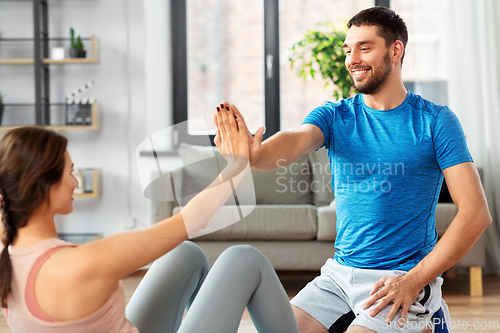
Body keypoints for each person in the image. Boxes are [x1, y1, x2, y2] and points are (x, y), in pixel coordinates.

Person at [213, 6, 491, 333]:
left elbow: (475, 214)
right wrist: (253, 155)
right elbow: (294, 140)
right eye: (348, 49)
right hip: (339, 276)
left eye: (364, 47)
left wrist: (414, 281)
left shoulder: (435, 121)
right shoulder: (336, 116)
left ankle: (432, 316)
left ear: (395, 50)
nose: (352, 59)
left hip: (400, 277)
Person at [0, 105, 300, 333]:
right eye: (69, 171)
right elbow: (192, 219)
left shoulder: (9, 261)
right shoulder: (86, 262)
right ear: (44, 186)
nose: (76, 181)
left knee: (184, 253)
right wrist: (238, 162)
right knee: (243, 259)